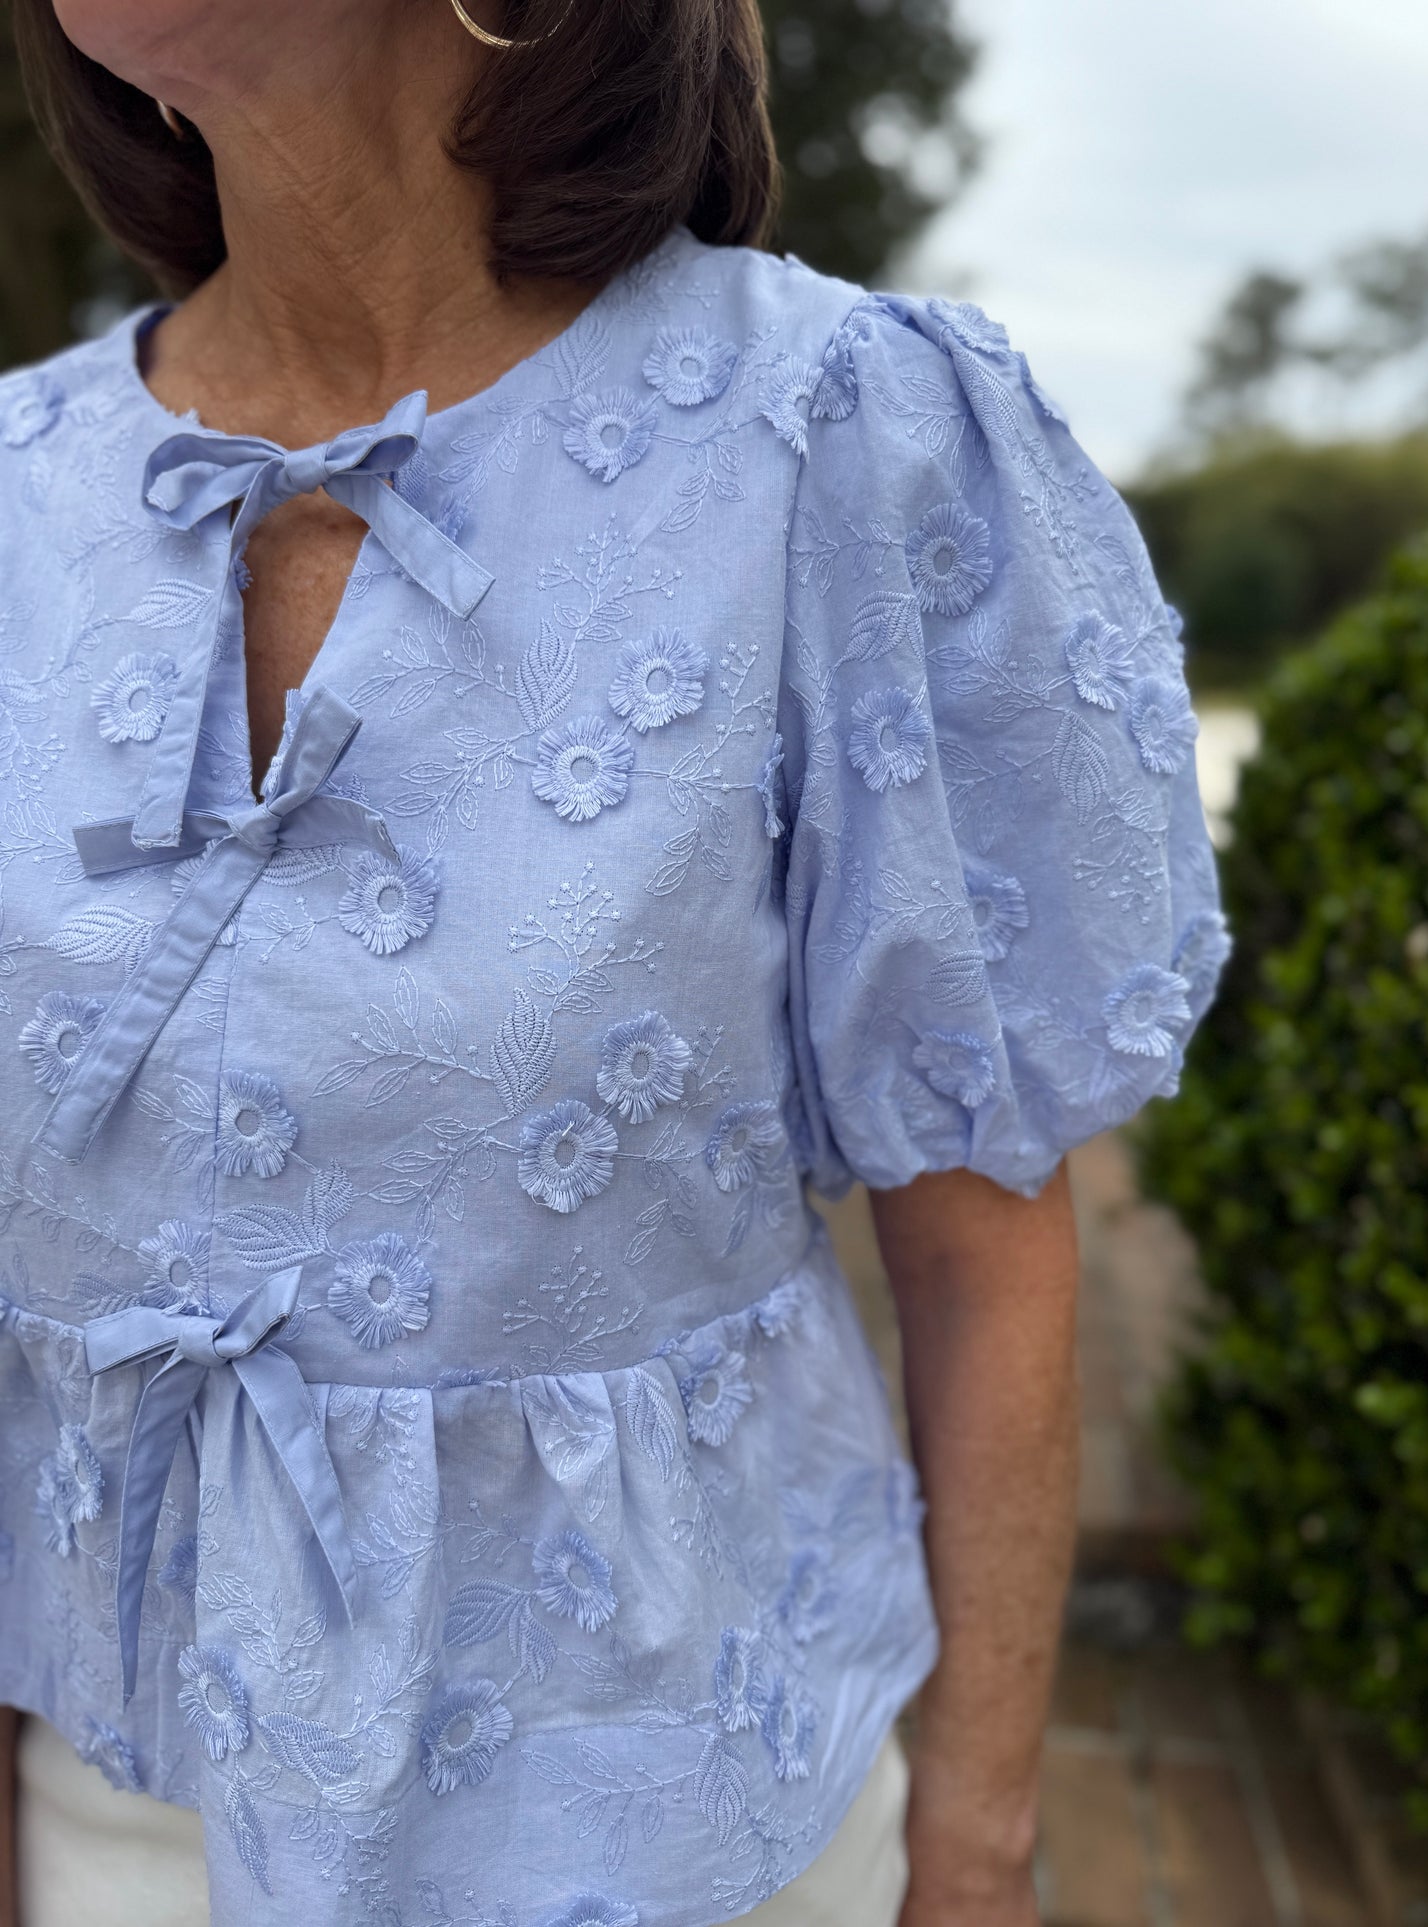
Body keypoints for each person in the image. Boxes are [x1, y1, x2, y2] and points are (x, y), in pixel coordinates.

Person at [0, 0, 1227, 1922]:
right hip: (125, 1799)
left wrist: (980, 1845)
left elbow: (983, 1226)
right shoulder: (15, 495)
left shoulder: (833, 437)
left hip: (691, 1798)